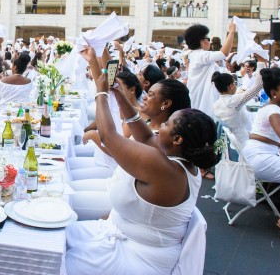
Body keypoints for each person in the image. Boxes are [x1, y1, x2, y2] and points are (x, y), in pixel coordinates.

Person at [66, 46, 218, 274]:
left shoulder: (165, 168)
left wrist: (101, 94)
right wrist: (118, 95)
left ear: (177, 139)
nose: (160, 128)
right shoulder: (180, 158)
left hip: (137, 257)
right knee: (57, 237)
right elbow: (146, 135)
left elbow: (109, 136)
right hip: (120, 233)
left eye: (166, 125)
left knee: (56, 259)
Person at [242, 68, 280, 245]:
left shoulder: (270, 108)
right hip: (260, 159)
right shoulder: (273, 110)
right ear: (273, 93)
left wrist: (279, 144)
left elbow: (258, 134)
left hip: (257, 154)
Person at [184, 22, 236, 113]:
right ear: (201, 42)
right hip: (202, 101)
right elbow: (223, 53)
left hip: (201, 99)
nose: (210, 42)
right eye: (208, 39)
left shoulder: (196, 55)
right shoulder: (200, 55)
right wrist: (231, 32)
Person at [212, 70, 264, 147]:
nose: (236, 86)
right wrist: (261, 62)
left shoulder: (216, 105)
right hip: (243, 143)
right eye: (235, 83)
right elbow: (258, 86)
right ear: (230, 86)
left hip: (230, 144)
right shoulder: (232, 101)